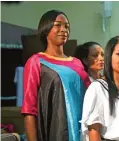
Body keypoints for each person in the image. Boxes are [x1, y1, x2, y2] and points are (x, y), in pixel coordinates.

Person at [21, 10, 91, 141]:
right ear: (46, 29)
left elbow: (91, 95)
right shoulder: (36, 62)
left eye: (66, 26)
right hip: (55, 132)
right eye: (58, 25)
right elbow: (29, 109)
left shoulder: (76, 63)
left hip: (82, 132)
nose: (64, 29)